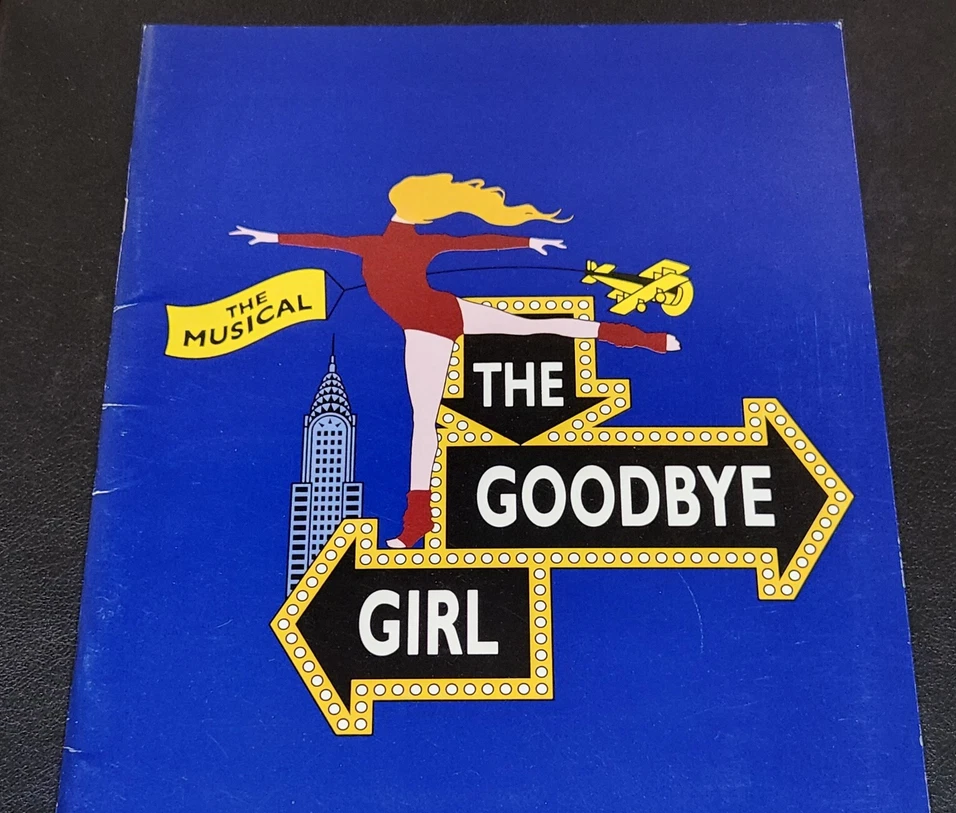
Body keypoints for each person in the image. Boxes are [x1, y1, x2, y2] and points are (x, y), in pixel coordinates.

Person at [230, 172, 680, 547]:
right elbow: (326, 240)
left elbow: (470, 243)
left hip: (431, 324)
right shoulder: (389, 243)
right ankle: (641, 338)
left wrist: (529, 241)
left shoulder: (379, 243)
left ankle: (416, 523)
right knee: (529, 332)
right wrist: (268, 236)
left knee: (428, 421)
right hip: (438, 318)